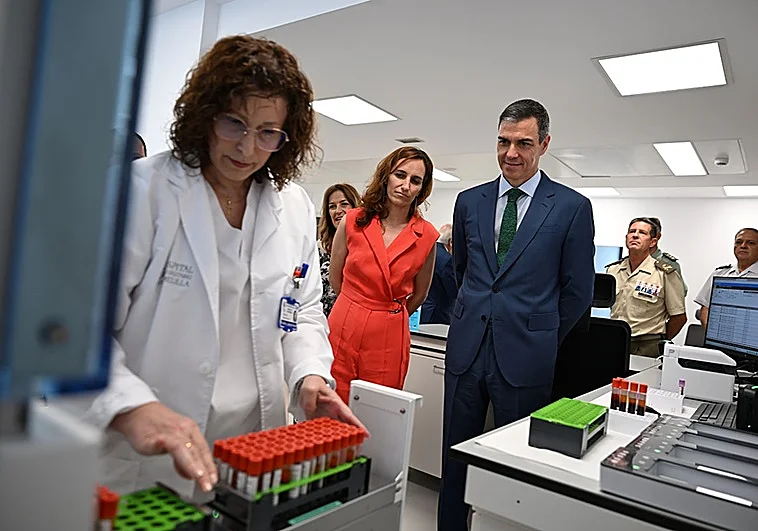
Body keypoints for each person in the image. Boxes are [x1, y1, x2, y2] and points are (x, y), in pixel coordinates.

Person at [84, 35, 364, 499]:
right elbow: (82, 329)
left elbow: (302, 312)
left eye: (268, 132)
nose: (248, 148)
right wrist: (131, 406)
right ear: (206, 114)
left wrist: (309, 373)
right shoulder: (140, 193)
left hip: (252, 445)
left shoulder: (292, 206)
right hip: (151, 444)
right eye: (235, 123)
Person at [438, 99, 595, 531]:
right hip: (467, 352)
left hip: (527, 357)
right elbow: (464, 270)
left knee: (516, 466)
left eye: (523, 143)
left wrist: (541, 333)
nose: (511, 153)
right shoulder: (469, 201)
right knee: (456, 457)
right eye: (503, 142)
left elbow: (578, 290)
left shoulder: (570, 207)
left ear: (544, 144)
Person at [328, 146, 439, 403]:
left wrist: (386, 314)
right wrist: (356, 305)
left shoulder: (427, 236)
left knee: (378, 407)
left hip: (389, 331)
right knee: (332, 401)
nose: (405, 186)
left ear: (422, 189)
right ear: (386, 176)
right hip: (344, 321)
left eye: (415, 181)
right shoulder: (353, 220)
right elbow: (336, 278)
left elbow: (419, 294)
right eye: (400, 175)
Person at [606, 217, 687, 357]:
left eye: (642, 233)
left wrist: (660, 340)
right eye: (632, 231)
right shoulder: (613, 270)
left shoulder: (664, 273)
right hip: (615, 340)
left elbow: (679, 317)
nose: (635, 235)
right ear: (626, 238)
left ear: (653, 242)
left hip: (647, 345)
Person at [695, 227, 758, 327]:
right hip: (720, 334)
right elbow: (705, 310)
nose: (743, 246)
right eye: (739, 242)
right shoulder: (719, 274)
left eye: (751, 243)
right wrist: (713, 333)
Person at [317, 183, 362, 316]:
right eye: (332, 206)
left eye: (344, 204)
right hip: (322, 319)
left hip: (356, 317)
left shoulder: (366, 248)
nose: (338, 210)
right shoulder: (319, 249)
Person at [420, 223, 457, 324]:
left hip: (422, 310)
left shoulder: (426, 251)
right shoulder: (448, 260)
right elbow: (453, 290)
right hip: (438, 315)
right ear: (451, 242)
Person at [647, 216, 687, 294]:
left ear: (657, 236)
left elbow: (679, 293)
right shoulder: (627, 262)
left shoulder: (669, 264)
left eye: (643, 233)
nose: (636, 236)